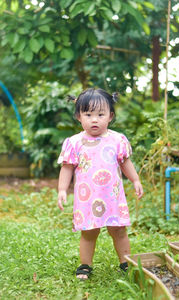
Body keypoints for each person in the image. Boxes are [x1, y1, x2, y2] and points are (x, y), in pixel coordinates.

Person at [57, 88, 143, 280]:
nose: (94, 119)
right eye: (88, 114)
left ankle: (126, 262)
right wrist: (62, 190)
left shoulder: (117, 139)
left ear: (110, 116)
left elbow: (125, 163)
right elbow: (67, 167)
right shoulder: (74, 142)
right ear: (79, 116)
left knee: (119, 230)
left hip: (112, 197)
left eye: (100, 114)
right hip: (88, 197)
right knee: (89, 232)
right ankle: (85, 265)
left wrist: (135, 179)